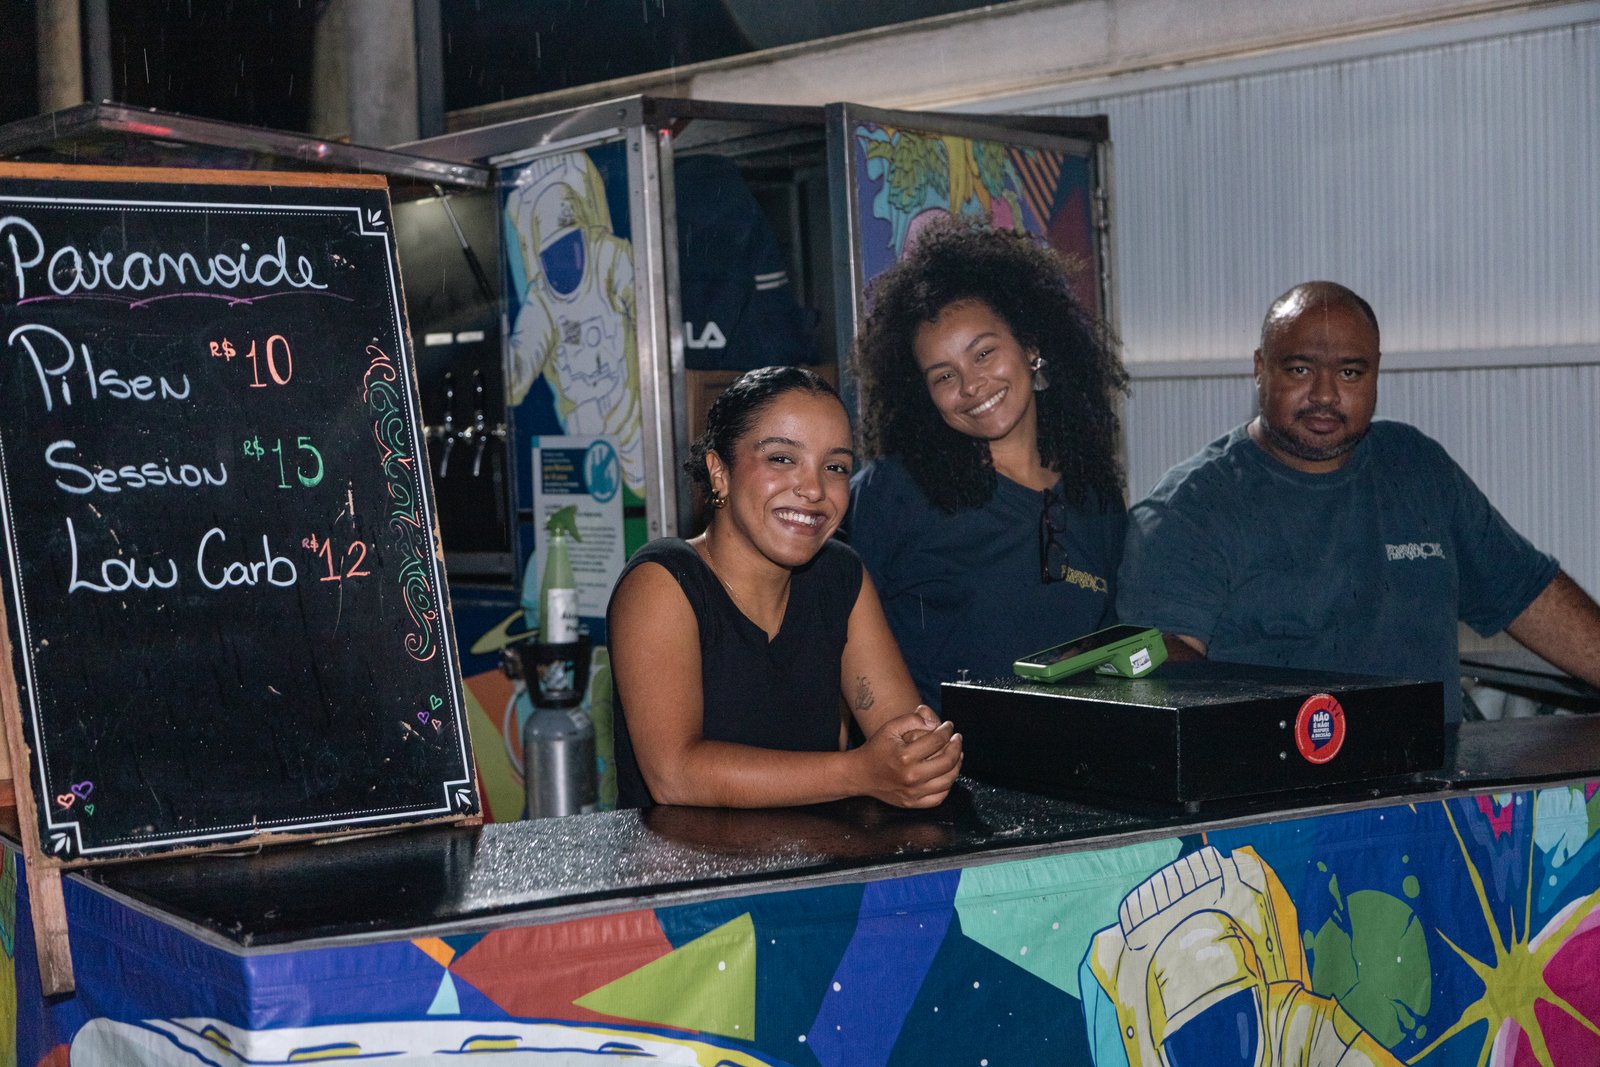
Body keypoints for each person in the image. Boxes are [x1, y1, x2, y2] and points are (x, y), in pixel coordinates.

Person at [1117, 280, 1600, 722]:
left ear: (1376, 373)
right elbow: (1162, 674)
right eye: (1300, 369)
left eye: (1349, 373)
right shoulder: (1189, 510)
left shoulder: (1418, 468)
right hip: (1281, 784)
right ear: (1260, 368)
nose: (1325, 395)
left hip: (1438, 780)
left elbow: (1530, 594)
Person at [607, 366, 963, 808]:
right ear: (719, 472)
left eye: (835, 467)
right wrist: (859, 772)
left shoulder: (841, 576)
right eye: (782, 458)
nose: (814, 489)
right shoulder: (663, 581)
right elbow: (674, 775)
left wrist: (923, 760)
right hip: (684, 854)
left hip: (817, 851)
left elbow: (903, 740)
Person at [849, 218, 1129, 709]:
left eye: (983, 353)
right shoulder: (892, 492)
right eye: (944, 376)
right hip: (941, 757)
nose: (971, 385)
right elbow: (832, 636)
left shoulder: (1095, 495)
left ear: (1030, 346)